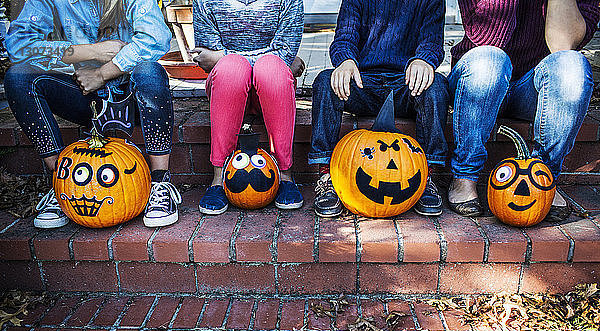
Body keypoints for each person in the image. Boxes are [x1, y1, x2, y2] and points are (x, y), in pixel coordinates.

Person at [4, 0, 181, 228]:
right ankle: (62, 184)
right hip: (82, 92)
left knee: (150, 70)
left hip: (134, 94)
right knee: (18, 77)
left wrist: (102, 72)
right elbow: (18, 45)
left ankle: (160, 182)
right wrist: (92, 52)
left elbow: (156, 38)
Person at [447, 0, 600, 220]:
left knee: (572, 64)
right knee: (491, 59)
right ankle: (465, 175)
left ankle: (543, 177)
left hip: (531, 88)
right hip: (480, 82)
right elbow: (487, 38)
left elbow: (563, 46)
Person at [309, 0, 449, 218]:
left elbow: (432, 43)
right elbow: (344, 39)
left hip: (406, 84)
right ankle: (325, 175)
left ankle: (427, 175)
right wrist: (345, 61)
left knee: (437, 85)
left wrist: (424, 60)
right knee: (325, 81)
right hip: (363, 82)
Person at [192, 0, 305, 214]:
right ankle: (218, 176)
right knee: (232, 68)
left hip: (272, 85)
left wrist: (224, 55)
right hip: (229, 86)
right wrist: (230, 58)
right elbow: (207, 57)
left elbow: (286, 50)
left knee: (271, 68)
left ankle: (285, 174)